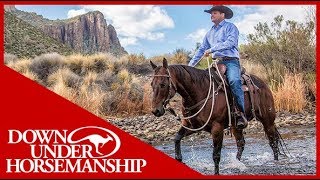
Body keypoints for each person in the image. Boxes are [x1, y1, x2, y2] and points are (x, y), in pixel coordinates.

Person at [188, 5, 248, 129]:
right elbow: (201, 50)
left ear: (222, 15)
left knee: (233, 81)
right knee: (204, 83)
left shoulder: (230, 27)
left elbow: (230, 43)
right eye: (211, 13)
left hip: (231, 61)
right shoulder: (209, 33)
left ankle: (240, 114)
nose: (212, 15)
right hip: (216, 63)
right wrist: (188, 68)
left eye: (214, 13)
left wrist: (211, 49)